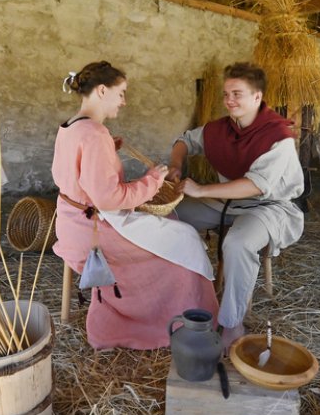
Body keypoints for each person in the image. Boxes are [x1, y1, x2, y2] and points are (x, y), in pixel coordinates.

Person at [52, 61, 219, 350]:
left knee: (174, 231)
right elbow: (109, 198)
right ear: (102, 91)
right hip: (93, 231)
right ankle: (169, 321)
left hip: (70, 222)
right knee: (184, 240)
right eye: (121, 93)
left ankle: (166, 310)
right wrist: (152, 180)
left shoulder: (72, 126)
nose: (124, 101)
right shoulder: (94, 135)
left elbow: (82, 170)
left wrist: (108, 151)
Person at [168, 62, 304, 347]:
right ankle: (184, 291)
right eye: (227, 94)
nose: (229, 100)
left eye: (237, 94)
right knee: (170, 214)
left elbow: (255, 185)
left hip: (269, 207)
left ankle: (232, 323)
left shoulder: (278, 138)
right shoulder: (220, 130)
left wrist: (202, 189)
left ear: (257, 97)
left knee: (238, 243)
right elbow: (185, 141)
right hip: (227, 203)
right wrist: (175, 167)